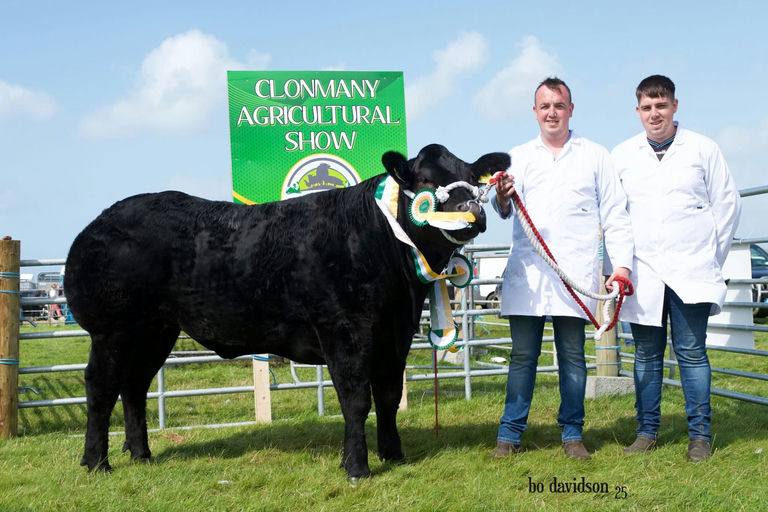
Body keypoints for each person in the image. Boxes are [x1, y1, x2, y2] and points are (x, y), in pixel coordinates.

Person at [491, 77, 634, 460]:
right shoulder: (516, 157)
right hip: (529, 275)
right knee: (523, 356)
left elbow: (616, 213)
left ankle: (572, 434)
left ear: (571, 109)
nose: (551, 112)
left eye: (559, 105)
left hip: (575, 274)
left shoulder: (595, 155)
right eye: (544, 106)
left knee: (572, 355)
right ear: (534, 112)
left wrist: (619, 266)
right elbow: (504, 209)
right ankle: (509, 435)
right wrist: (501, 199)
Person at [612, 75, 741, 462]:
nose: (655, 114)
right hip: (644, 271)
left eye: (661, 105)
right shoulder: (622, 155)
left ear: (675, 106)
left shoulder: (703, 149)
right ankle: (647, 431)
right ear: (638, 111)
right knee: (645, 356)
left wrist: (709, 258)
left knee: (691, 352)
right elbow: (616, 216)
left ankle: (699, 435)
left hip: (691, 269)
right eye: (647, 108)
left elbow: (727, 206)